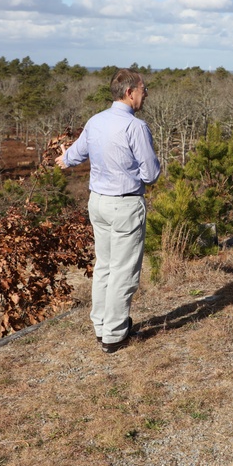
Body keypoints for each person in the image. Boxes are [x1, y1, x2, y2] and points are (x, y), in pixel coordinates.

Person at [56, 68, 161, 353]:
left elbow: (75, 154)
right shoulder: (135, 127)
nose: (145, 94)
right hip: (125, 203)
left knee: (104, 266)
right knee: (124, 271)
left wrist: (63, 159)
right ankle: (114, 334)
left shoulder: (96, 121)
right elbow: (150, 174)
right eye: (143, 90)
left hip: (98, 202)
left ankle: (102, 325)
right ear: (129, 93)